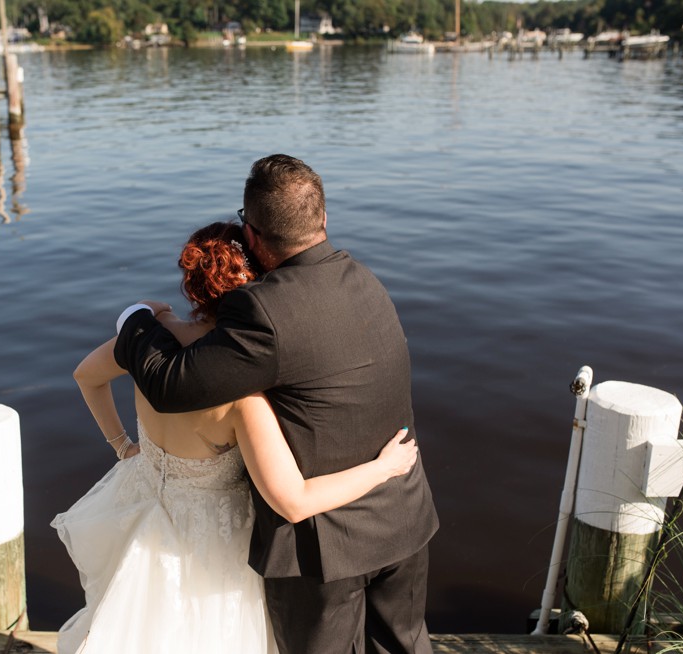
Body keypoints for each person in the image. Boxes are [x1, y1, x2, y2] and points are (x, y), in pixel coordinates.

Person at [114, 155, 439, 654]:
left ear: (254, 237)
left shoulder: (263, 309)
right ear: (323, 219)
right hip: (404, 514)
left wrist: (136, 321)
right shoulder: (365, 279)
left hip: (324, 546)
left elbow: (170, 385)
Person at [52, 221, 419, 654]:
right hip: (214, 539)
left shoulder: (149, 342)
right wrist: (382, 469)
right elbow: (294, 500)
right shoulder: (242, 396)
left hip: (142, 506)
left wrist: (121, 445)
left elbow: (85, 377)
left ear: (192, 282)